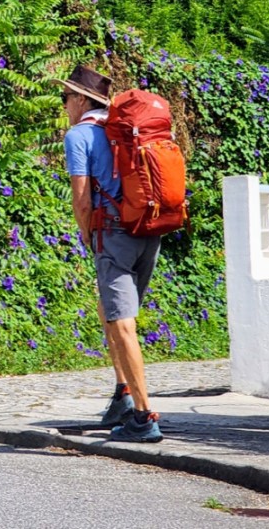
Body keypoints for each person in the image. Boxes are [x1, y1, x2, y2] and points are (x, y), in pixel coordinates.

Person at [62, 64, 163, 443]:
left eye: (66, 98)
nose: (64, 106)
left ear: (81, 100)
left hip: (113, 233)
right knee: (113, 310)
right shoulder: (131, 130)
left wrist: (89, 237)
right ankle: (123, 393)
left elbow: (82, 199)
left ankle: (143, 416)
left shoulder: (80, 135)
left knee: (122, 324)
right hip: (149, 229)